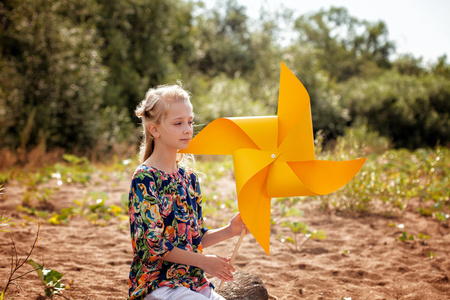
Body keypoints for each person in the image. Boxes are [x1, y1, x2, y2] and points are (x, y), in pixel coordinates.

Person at [128, 84, 247, 300]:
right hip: (159, 286)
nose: (187, 129)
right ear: (154, 129)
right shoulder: (145, 178)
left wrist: (230, 230)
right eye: (178, 123)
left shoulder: (189, 178)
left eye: (190, 122)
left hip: (194, 284)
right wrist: (204, 261)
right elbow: (153, 245)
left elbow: (193, 238)